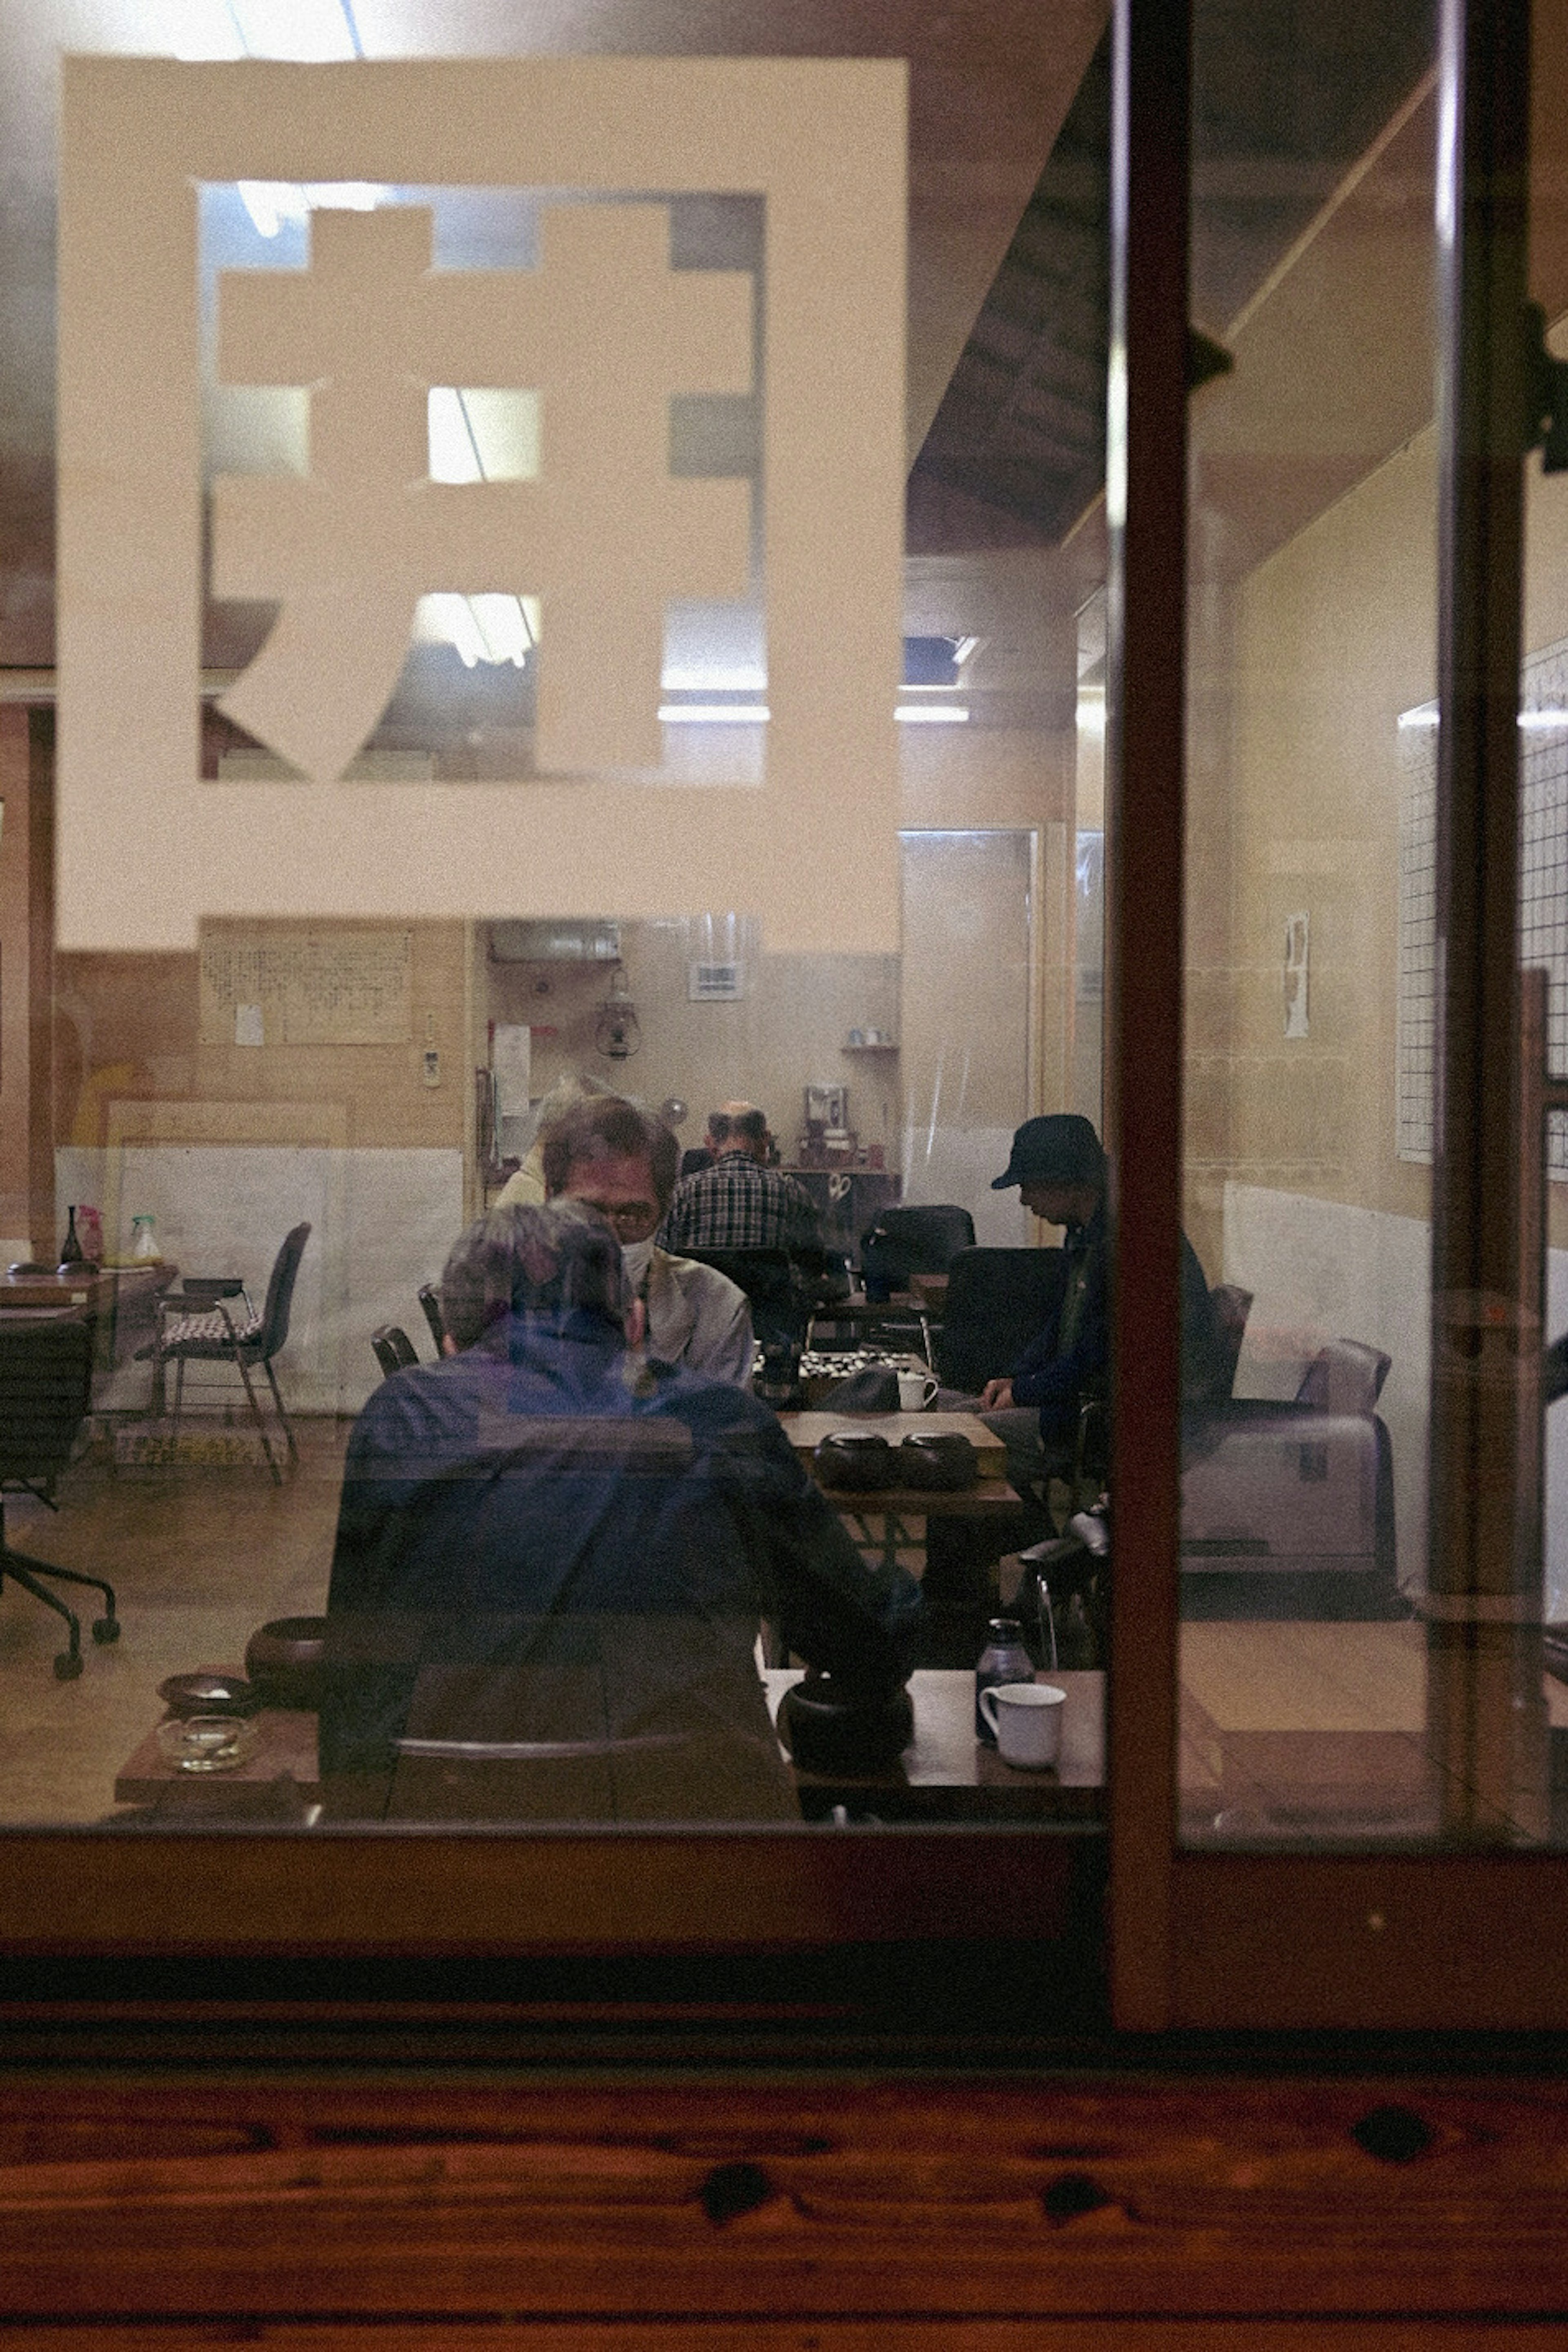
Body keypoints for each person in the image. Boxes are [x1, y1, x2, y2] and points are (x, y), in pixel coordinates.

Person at [320, 1200, 919, 1800]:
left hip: (461, 1831)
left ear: (452, 1346)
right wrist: (905, 1593)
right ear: (634, 1325)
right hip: (695, 1832)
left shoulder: (402, 1414)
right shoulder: (717, 1419)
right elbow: (862, 1641)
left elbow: (362, 1666)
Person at [978, 1111, 1220, 1481]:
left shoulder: (1130, 1237)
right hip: (1082, 1403)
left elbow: (1097, 1352)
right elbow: (1062, 1324)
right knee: (958, 1421)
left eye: (1029, 1185)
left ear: (1070, 1185)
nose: (1024, 1200)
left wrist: (1026, 1391)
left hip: (1115, 1419)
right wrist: (1016, 1380)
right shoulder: (1087, 1230)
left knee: (967, 1442)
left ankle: (1036, 1536)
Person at [538, 1093, 754, 1388]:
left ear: (664, 1211)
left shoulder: (716, 1309)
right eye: (587, 1213)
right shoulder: (497, 1299)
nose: (608, 1238)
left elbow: (723, 1431)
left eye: (631, 1216)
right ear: (551, 1198)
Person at [658, 1103, 822, 1255]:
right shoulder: (792, 1191)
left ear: (710, 1143)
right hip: (766, 1288)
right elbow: (814, 1264)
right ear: (766, 1139)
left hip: (699, 1288)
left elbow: (659, 1259)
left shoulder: (681, 1193)